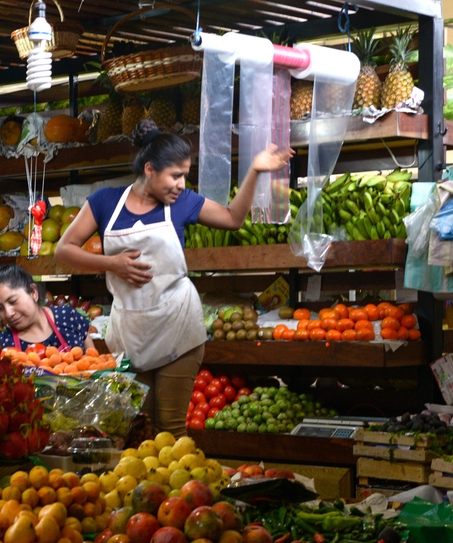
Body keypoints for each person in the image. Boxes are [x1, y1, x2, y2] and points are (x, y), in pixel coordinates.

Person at [55, 119, 291, 437]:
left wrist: (256, 171)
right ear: (150, 169)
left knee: (169, 430)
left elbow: (233, 218)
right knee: (136, 430)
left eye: (185, 176)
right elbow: (63, 250)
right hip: (129, 332)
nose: (181, 184)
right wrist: (112, 263)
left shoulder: (181, 203)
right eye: (175, 175)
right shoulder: (105, 203)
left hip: (177, 326)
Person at [0, 263, 94, 353]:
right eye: (0, 308)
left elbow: (96, 364)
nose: (8, 313)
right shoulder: (3, 340)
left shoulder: (68, 317)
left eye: (13, 301)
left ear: (33, 292)